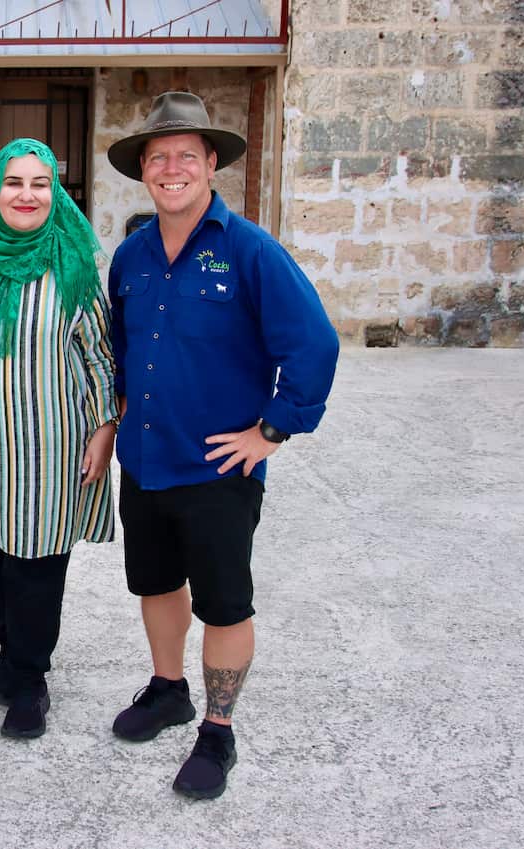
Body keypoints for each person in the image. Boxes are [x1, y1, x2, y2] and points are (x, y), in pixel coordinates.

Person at [106, 92, 339, 799]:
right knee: (154, 584)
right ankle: (168, 687)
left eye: (185, 155)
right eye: (158, 156)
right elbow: (122, 352)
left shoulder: (250, 251)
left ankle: (218, 727)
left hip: (217, 469)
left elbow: (314, 344)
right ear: (144, 170)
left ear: (211, 164)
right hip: (145, 461)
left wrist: (271, 430)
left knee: (226, 605)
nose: (171, 167)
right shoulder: (131, 256)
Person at [0, 138, 118, 739]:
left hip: (50, 443)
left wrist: (104, 427)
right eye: (15, 183)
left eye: (40, 183)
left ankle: (31, 679)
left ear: (55, 191)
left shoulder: (75, 262)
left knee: (38, 564)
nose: (27, 195)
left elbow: (98, 355)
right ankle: (10, 654)